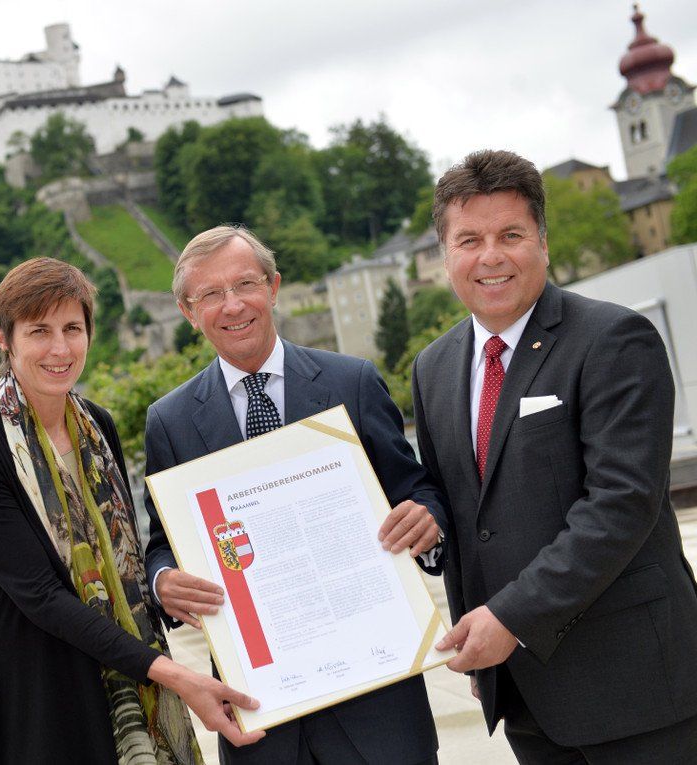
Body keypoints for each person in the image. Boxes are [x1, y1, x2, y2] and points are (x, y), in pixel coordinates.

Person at [413, 149, 697, 763]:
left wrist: (510, 618)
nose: (490, 256)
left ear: (542, 241)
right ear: (445, 255)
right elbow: (461, 508)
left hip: (635, 686)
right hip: (523, 696)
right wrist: (428, 533)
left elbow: (620, 505)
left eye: (510, 235)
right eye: (469, 240)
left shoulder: (614, 339)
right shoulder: (432, 367)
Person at [0, 257, 265, 764]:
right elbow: (41, 596)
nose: (60, 348)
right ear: (3, 337)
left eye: (73, 328)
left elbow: (126, 563)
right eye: (39, 331)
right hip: (36, 698)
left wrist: (165, 589)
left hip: (124, 678)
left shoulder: (98, 426)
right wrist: (175, 675)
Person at [143, 225, 447, 765]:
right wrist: (163, 580)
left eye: (245, 284)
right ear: (189, 312)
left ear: (274, 286)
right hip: (260, 713)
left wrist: (428, 518)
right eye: (210, 294)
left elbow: (415, 486)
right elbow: (163, 543)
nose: (232, 305)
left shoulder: (352, 382)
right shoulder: (169, 421)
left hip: (378, 704)